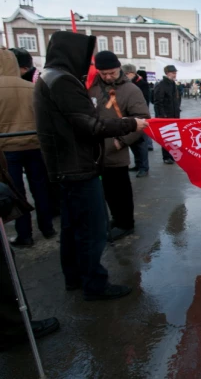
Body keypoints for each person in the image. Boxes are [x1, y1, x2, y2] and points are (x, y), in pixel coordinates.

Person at [34, 31, 148, 301]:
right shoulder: (64, 81)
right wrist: (130, 124)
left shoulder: (48, 77)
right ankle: (94, 285)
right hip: (78, 166)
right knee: (92, 230)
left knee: (73, 227)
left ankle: (75, 277)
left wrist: (124, 138)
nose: (90, 66)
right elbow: (91, 125)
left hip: (70, 164)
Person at [0, 153, 60, 351]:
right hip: (26, 148)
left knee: (29, 191)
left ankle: (30, 232)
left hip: (17, 150)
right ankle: (15, 326)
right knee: (3, 265)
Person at [90, 53, 150, 242]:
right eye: (104, 73)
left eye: (112, 73)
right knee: (106, 190)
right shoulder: (92, 87)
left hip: (116, 149)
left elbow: (142, 119)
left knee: (120, 190)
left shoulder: (130, 90)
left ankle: (126, 223)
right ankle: (116, 219)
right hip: (94, 150)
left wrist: (122, 141)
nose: (108, 77)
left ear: (119, 69)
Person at [0, 49, 56, 247]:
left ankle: (25, 235)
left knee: (16, 193)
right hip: (35, 144)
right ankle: (47, 227)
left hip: (8, 149)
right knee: (40, 188)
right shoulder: (31, 87)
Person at [122, 64, 152, 177]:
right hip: (129, 117)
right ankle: (138, 165)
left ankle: (144, 167)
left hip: (140, 117)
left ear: (132, 73)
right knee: (133, 144)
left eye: (126, 74)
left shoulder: (142, 84)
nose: (124, 76)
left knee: (141, 144)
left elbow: (144, 101)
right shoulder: (127, 84)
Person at [153, 65, 181, 165]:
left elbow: (176, 99)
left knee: (173, 136)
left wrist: (177, 110)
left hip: (174, 115)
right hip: (165, 116)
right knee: (166, 137)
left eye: (175, 73)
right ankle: (166, 156)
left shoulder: (173, 84)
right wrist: (162, 115)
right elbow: (157, 102)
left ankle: (172, 155)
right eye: (173, 73)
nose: (175, 75)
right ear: (167, 73)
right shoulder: (161, 85)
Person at [136, 70, 154, 151]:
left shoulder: (142, 84)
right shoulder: (143, 83)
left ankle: (149, 144)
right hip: (143, 107)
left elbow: (146, 97)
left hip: (142, 108)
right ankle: (149, 143)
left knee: (145, 126)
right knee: (145, 125)